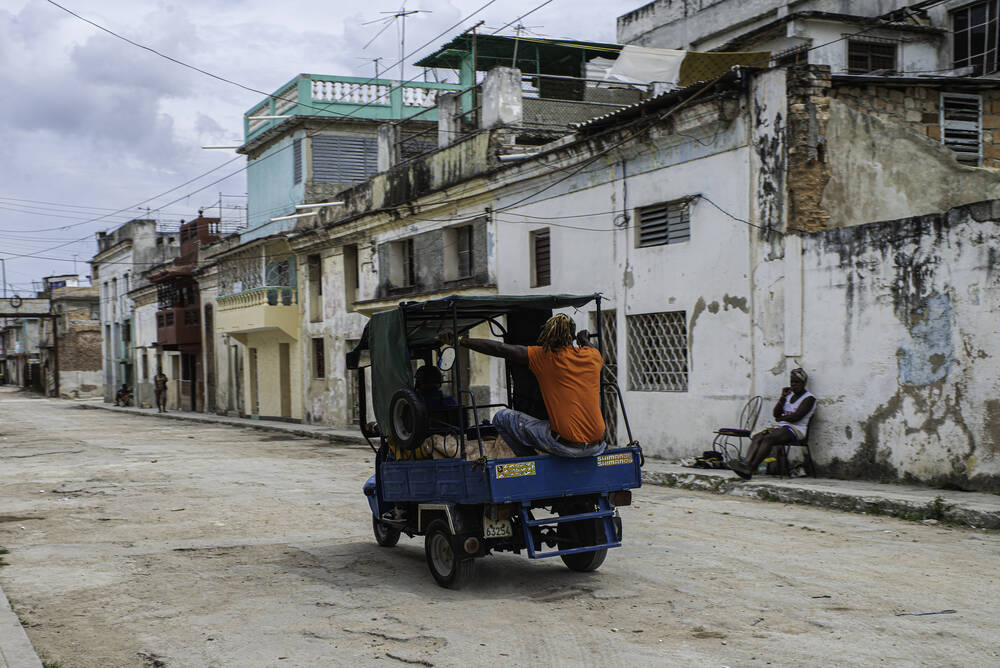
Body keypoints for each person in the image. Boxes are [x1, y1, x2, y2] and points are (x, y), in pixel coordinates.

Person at [438, 313, 606, 458]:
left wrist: (459, 340)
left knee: (502, 417)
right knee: (548, 423)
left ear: (547, 336)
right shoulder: (592, 355)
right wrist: (584, 340)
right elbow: (591, 348)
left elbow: (500, 348)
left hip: (566, 446)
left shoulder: (544, 356)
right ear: (573, 336)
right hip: (597, 445)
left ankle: (531, 462)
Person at [728, 368, 816, 480]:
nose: (793, 385)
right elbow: (776, 413)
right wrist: (782, 398)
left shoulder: (809, 398)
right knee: (758, 437)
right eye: (792, 382)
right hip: (782, 427)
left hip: (796, 429)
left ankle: (752, 468)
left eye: (797, 382)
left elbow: (796, 417)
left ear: (804, 383)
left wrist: (781, 418)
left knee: (768, 439)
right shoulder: (789, 396)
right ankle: (746, 464)